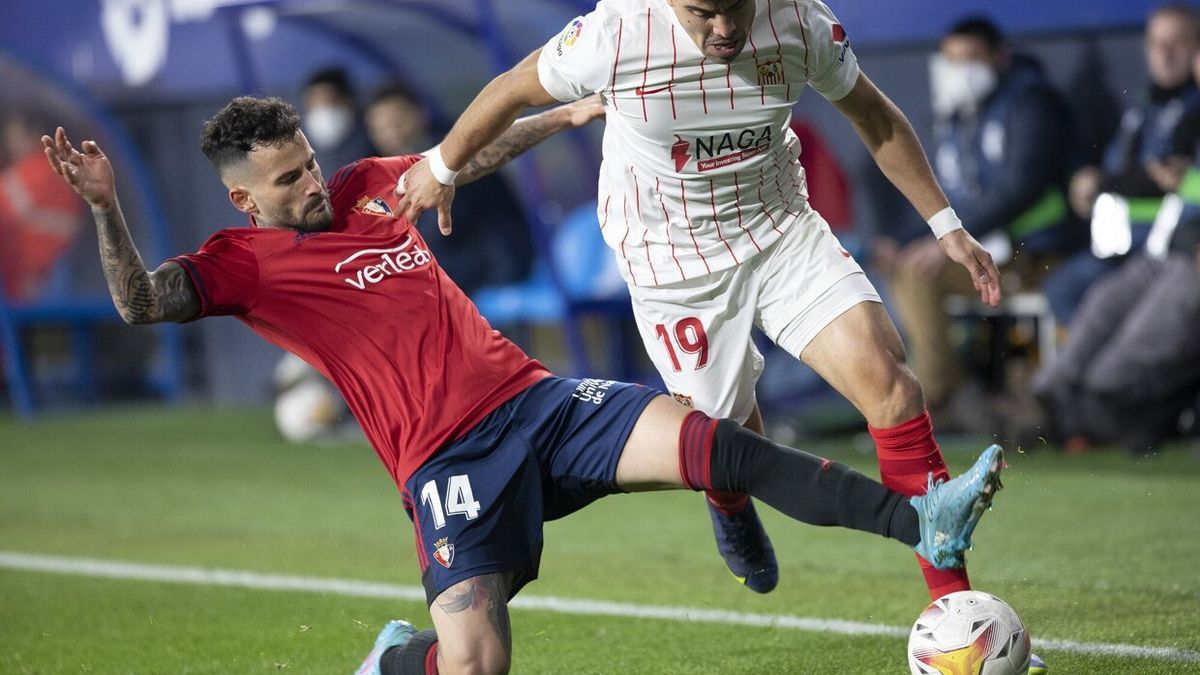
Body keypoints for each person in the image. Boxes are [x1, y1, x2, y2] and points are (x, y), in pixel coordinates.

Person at [43, 97, 1005, 675]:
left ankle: (918, 520)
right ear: (244, 198)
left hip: (536, 405)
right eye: (290, 179)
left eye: (310, 161)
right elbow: (138, 302)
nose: (314, 184)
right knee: (475, 664)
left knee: (714, 438)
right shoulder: (238, 262)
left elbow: (463, 156)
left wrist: (564, 116)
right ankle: (395, 659)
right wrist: (108, 210)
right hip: (447, 464)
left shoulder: (371, 184)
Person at [396, 0, 1011, 616]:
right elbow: (510, 89)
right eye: (701, 13)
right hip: (672, 265)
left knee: (891, 385)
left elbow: (874, 117)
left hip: (778, 228)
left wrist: (945, 224)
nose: (723, 30)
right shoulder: (614, 32)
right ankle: (729, 505)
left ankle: (958, 618)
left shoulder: (800, 21)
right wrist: (442, 166)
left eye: (735, 8)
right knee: (724, 444)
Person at [879, 17, 1077, 427]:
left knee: (921, 273)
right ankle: (947, 388)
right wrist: (905, 238)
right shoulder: (960, 114)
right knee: (907, 266)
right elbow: (951, 197)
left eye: (970, 59)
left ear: (998, 58)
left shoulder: (1031, 102)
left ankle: (934, 395)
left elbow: (1020, 190)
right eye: (951, 61)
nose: (960, 71)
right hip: (986, 248)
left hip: (1032, 251)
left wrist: (944, 242)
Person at [1045, 4, 1200, 325]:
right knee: (1061, 289)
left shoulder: (1193, 110)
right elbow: (1119, 172)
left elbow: (1172, 181)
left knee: (1111, 306)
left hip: (1168, 247)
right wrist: (1092, 181)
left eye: (1178, 42)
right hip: (1119, 249)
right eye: (1157, 43)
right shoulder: (1141, 109)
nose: (1166, 54)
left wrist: (1108, 181)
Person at [364, 82, 537, 296]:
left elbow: (443, 228)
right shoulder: (398, 168)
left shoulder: (452, 151)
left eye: (397, 121)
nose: (392, 133)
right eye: (380, 129)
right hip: (467, 260)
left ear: (421, 113)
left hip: (499, 258)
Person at [0, 109, 84, 301]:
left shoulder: (34, 170)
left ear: (34, 134)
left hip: (42, 268)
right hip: (48, 266)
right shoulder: (53, 167)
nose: (11, 144)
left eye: (15, 136)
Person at [300, 67, 375, 176]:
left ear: (349, 102)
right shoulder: (297, 149)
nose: (323, 109)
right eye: (315, 102)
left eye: (330, 100)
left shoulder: (375, 141)